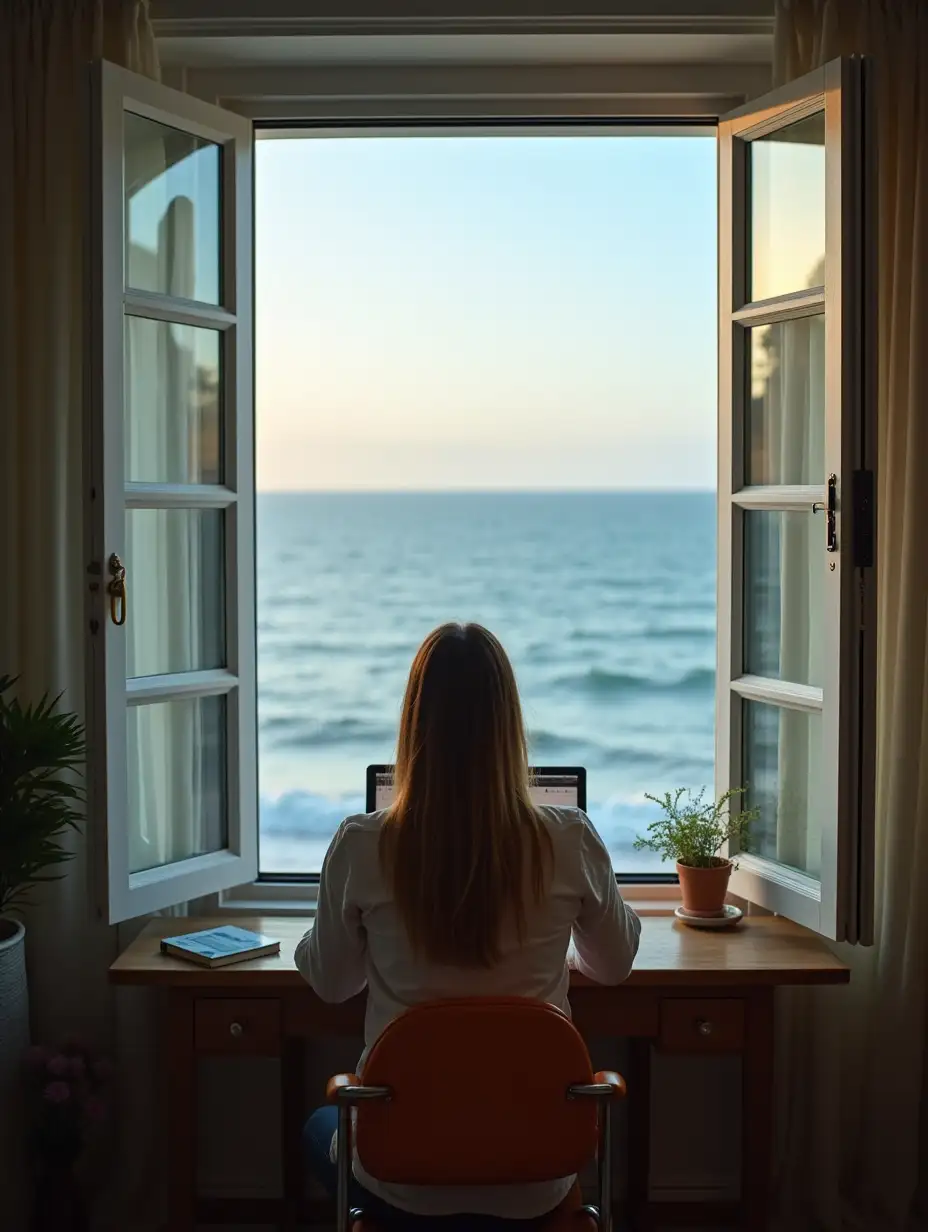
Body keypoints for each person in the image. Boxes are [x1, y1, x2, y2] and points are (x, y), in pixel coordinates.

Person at [295, 622, 641, 1229]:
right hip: (535, 1179)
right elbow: (613, 965)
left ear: (413, 723)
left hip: (401, 1180)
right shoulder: (568, 838)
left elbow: (333, 983)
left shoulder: (361, 845)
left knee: (317, 1126)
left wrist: (324, 940)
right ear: (509, 726)